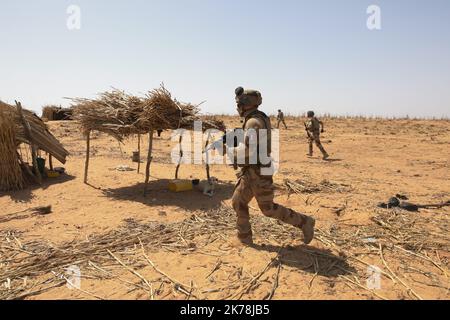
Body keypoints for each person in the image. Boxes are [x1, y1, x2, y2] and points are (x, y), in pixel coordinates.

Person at [215, 87, 316, 246]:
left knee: (268, 209)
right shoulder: (256, 118)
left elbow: (249, 150)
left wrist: (228, 151)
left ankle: (305, 222)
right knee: (238, 202)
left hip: (259, 171)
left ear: (244, 104)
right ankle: (245, 238)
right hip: (251, 171)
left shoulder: (253, 122)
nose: (237, 107)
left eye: (238, 103)